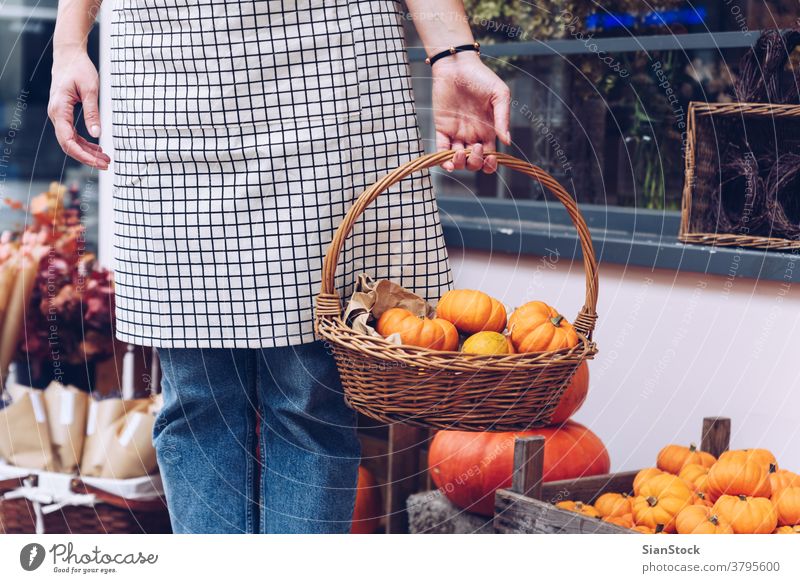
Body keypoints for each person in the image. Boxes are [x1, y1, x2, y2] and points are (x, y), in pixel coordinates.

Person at [50, 0, 511, 533]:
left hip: (330, 66)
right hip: (166, 60)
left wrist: (452, 52)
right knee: (199, 400)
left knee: (308, 392)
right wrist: (67, 47)